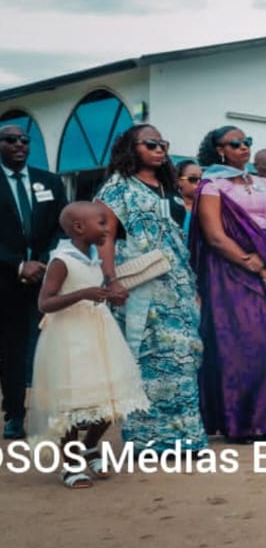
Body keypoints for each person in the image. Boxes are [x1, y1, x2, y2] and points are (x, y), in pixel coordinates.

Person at [189, 125, 266, 443]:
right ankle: (242, 423)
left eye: (248, 143)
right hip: (231, 272)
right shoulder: (212, 185)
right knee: (243, 345)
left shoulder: (262, 183)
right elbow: (214, 235)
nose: (244, 147)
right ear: (219, 150)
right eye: (236, 143)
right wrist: (249, 261)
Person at [96, 124, 209, 453]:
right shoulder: (118, 188)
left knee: (184, 357)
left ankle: (184, 437)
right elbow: (105, 236)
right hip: (142, 289)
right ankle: (148, 440)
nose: (160, 150)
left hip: (177, 285)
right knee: (148, 360)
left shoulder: (169, 186)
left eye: (163, 144)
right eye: (151, 144)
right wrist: (110, 279)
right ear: (132, 148)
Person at [28, 202, 149, 488]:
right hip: (70, 338)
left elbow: (95, 291)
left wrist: (111, 295)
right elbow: (45, 303)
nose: (107, 228)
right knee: (73, 402)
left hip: (99, 334)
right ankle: (70, 464)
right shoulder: (62, 260)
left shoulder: (91, 257)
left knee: (113, 396)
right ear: (79, 228)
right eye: (101, 223)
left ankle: (91, 445)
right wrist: (83, 293)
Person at [0, 123, 68, 440]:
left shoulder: (50, 181)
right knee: (12, 349)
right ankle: (15, 413)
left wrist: (45, 260)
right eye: (10, 140)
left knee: (49, 345)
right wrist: (18, 264)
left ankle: (52, 412)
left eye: (24, 140)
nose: (19, 145)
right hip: (6, 279)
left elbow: (63, 224)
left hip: (47, 277)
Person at [176, 160, 202, 237]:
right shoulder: (172, 208)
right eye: (193, 179)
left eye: (202, 179)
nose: (199, 182)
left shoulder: (207, 208)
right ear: (178, 181)